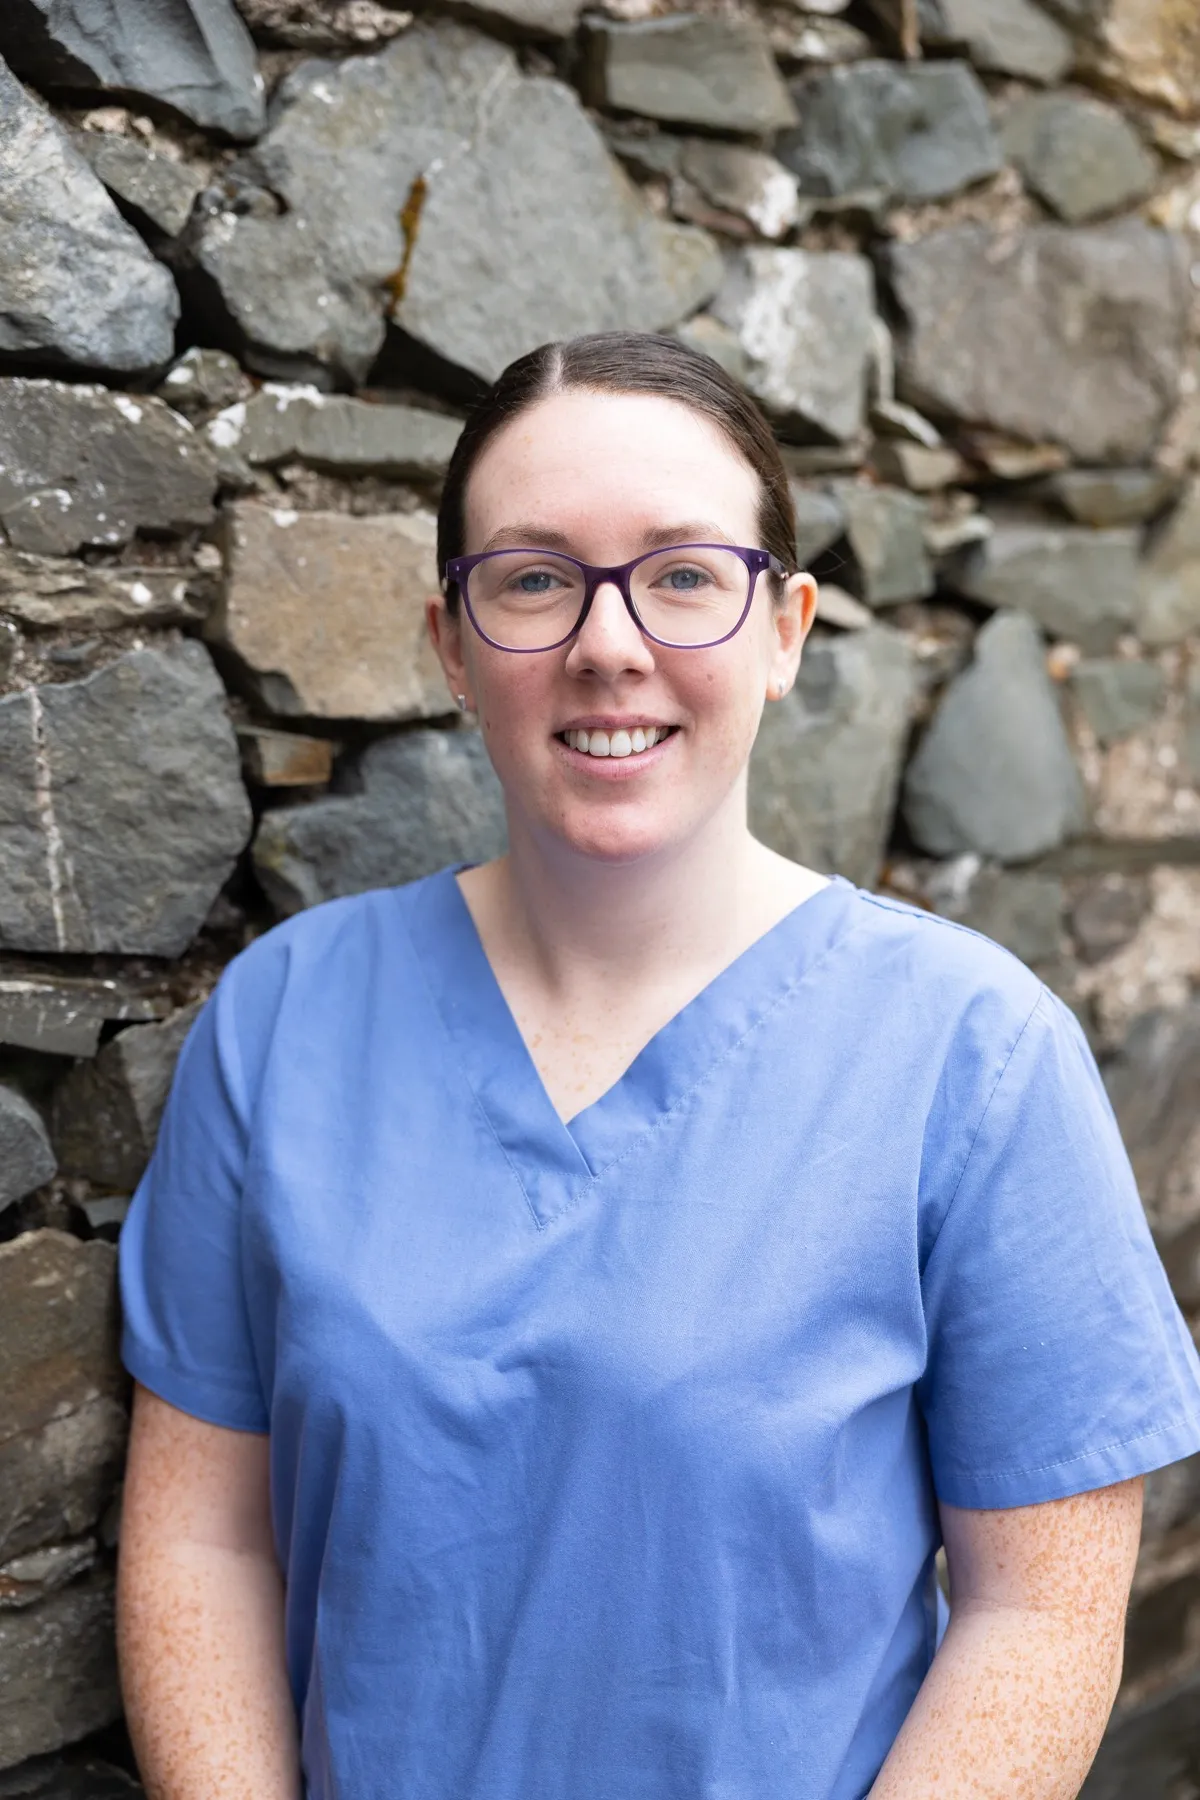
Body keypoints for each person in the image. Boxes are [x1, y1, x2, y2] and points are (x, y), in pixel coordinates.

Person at [117, 332, 1200, 1800]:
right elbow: (202, 1539)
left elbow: (1040, 1614)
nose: (608, 643)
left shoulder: (974, 1059)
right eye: (535, 577)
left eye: (684, 574)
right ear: (451, 640)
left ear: (786, 628)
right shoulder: (284, 1022)